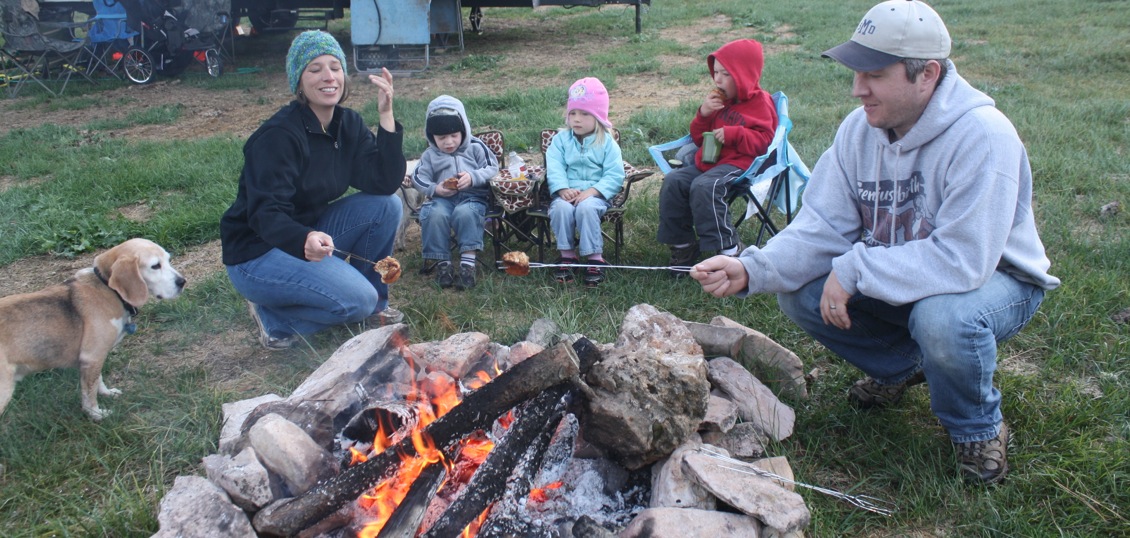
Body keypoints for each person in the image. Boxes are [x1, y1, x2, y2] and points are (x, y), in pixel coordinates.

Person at [691, 0, 1059, 485]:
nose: (857, 88)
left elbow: (965, 260)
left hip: (998, 280)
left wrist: (856, 269)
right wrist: (752, 267)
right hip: (909, 268)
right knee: (800, 291)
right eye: (855, 71)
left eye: (875, 75)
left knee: (942, 318)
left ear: (926, 73)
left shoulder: (983, 137)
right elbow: (821, 226)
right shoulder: (858, 131)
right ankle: (903, 367)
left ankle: (976, 428)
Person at [220, 30, 406, 351]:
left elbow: (384, 181)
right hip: (257, 252)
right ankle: (274, 318)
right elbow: (265, 213)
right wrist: (303, 238)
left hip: (307, 230)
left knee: (386, 205)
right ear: (299, 81)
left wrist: (386, 114)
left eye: (334, 66)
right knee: (357, 301)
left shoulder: (347, 124)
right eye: (314, 68)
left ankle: (376, 305)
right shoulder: (278, 137)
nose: (328, 76)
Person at [657, 38, 777, 276]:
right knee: (674, 181)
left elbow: (763, 142)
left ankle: (730, 250)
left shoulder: (760, 103)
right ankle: (684, 246)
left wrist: (734, 134)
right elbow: (699, 138)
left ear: (743, 75)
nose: (717, 80)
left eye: (725, 74)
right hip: (709, 161)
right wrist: (704, 113)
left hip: (739, 163)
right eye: (716, 73)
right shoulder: (720, 102)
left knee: (705, 186)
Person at [411, 95, 499, 290]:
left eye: (454, 135)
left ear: (464, 130)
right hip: (442, 199)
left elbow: (492, 167)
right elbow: (418, 178)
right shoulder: (430, 155)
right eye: (441, 138)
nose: (449, 142)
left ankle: (468, 266)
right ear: (431, 136)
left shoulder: (475, 147)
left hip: (472, 197)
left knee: (465, 213)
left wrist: (473, 177)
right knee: (434, 214)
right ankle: (444, 265)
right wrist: (435, 189)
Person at [545, 77, 625, 288]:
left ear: (598, 116)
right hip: (567, 193)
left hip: (595, 196)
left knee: (586, 209)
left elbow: (615, 174)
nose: (577, 119)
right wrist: (562, 188)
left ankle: (594, 258)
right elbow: (554, 166)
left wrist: (593, 191)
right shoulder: (560, 140)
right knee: (560, 209)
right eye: (572, 113)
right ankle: (567, 255)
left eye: (584, 114)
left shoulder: (607, 142)